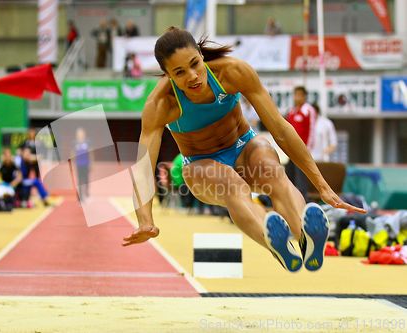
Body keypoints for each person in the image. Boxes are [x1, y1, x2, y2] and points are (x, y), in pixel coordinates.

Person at [122, 27, 365, 273]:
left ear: (201, 55)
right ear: (167, 75)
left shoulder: (232, 72)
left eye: (195, 64)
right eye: (180, 73)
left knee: (272, 170)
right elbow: (143, 168)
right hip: (200, 165)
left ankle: (305, 235)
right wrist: (145, 221)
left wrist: (321, 185)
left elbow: (280, 129)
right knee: (231, 183)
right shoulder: (161, 104)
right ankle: (276, 243)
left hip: (244, 148)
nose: (193, 76)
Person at [285, 86, 316, 201]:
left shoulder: (308, 110)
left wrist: (308, 149)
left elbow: (312, 130)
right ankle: (289, 201)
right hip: (291, 150)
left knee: (301, 179)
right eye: (295, 94)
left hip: (302, 150)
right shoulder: (292, 111)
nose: (296, 97)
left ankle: (303, 202)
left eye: (299, 95)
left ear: (304, 96)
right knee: (289, 176)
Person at [73, 128, 92, 202]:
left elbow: (90, 153)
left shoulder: (87, 142)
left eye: (81, 133)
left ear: (84, 134)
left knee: (86, 180)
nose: (80, 135)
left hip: (86, 164)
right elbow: (73, 153)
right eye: (79, 134)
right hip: (78, 165)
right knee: (80, 181)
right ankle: (80, 196)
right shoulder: (75, 143)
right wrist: (74, 163)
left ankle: (86, 193)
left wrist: (91, 163)